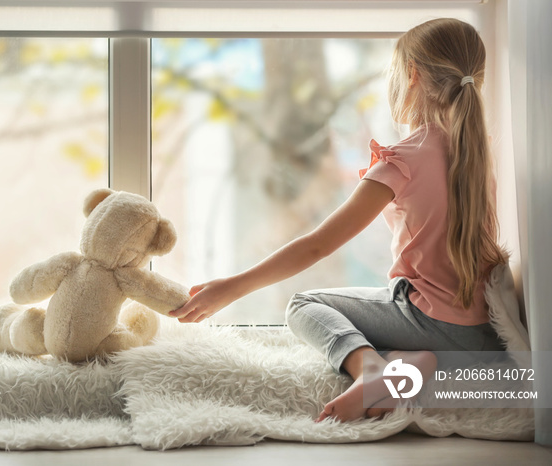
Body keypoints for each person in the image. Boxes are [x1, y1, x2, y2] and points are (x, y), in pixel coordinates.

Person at [169, 18, 507, 422]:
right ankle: (407, 362)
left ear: (413, 75)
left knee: (305, 305)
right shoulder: (479, 156)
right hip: (479, 336)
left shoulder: (404, 160)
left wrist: (234, 287)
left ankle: (374, 369)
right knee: (382, 311)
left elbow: (317, 245)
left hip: (428, 321)